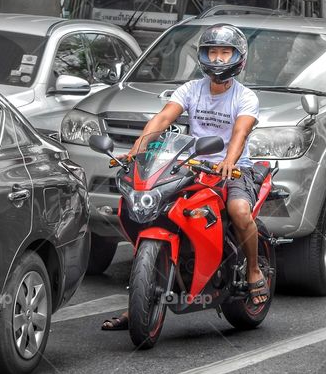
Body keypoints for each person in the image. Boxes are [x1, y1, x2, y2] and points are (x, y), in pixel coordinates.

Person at [102, 24, 265, 331]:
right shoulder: (191, 89)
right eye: (212, 52)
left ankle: (254, 269)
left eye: (224, 53)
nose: (217, 60)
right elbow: (163, 119)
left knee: (239, 211)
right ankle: (142, 296)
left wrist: (229, 162)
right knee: (155, 211)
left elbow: (240, 133)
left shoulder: (245, 97)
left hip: (231, 170)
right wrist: (138, 150)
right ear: (203, 55)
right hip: (192, 167)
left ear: (238, 58)